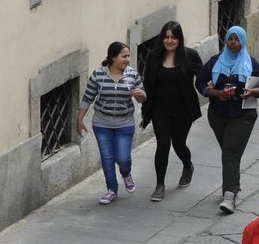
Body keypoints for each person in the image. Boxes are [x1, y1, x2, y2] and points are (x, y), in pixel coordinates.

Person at [137, 21, 205, 205]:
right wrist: (144, 102)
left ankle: (187, 165)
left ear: (179, 39)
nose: (169, 41)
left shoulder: (189, 56)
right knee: (163, 144)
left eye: (173, 37)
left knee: (179, 144)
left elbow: (204, 77)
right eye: (166, 37)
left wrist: (211, 88)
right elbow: (147, 82)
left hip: (183, 109)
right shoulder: (153, 57)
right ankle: (160, 185)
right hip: (160, 109)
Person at [202, 26, 259, 213]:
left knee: (230, 153)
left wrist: (254, 91)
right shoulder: (215, 62)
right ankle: (235, 185)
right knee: (230, 153)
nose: (233, 43)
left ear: (243, 42)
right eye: (230, 39)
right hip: (218, 115)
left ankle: (228, 197)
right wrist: (216, 93)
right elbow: (200, 82)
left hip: (243, 115)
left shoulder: (251, 63)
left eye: (237, 39)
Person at [78, 41, 147, 204]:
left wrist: (141, 95)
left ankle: (126, 173)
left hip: (125, 123)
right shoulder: (98, 75)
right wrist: (79, 119)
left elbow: (143, 96)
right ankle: (111, 190)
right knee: (107, 157)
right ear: (113, 58)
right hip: (102, 124)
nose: (128, 59)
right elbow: (87, 97)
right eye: (124, 56)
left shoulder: (132, 75)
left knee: (123, 158)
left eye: (128, 56)